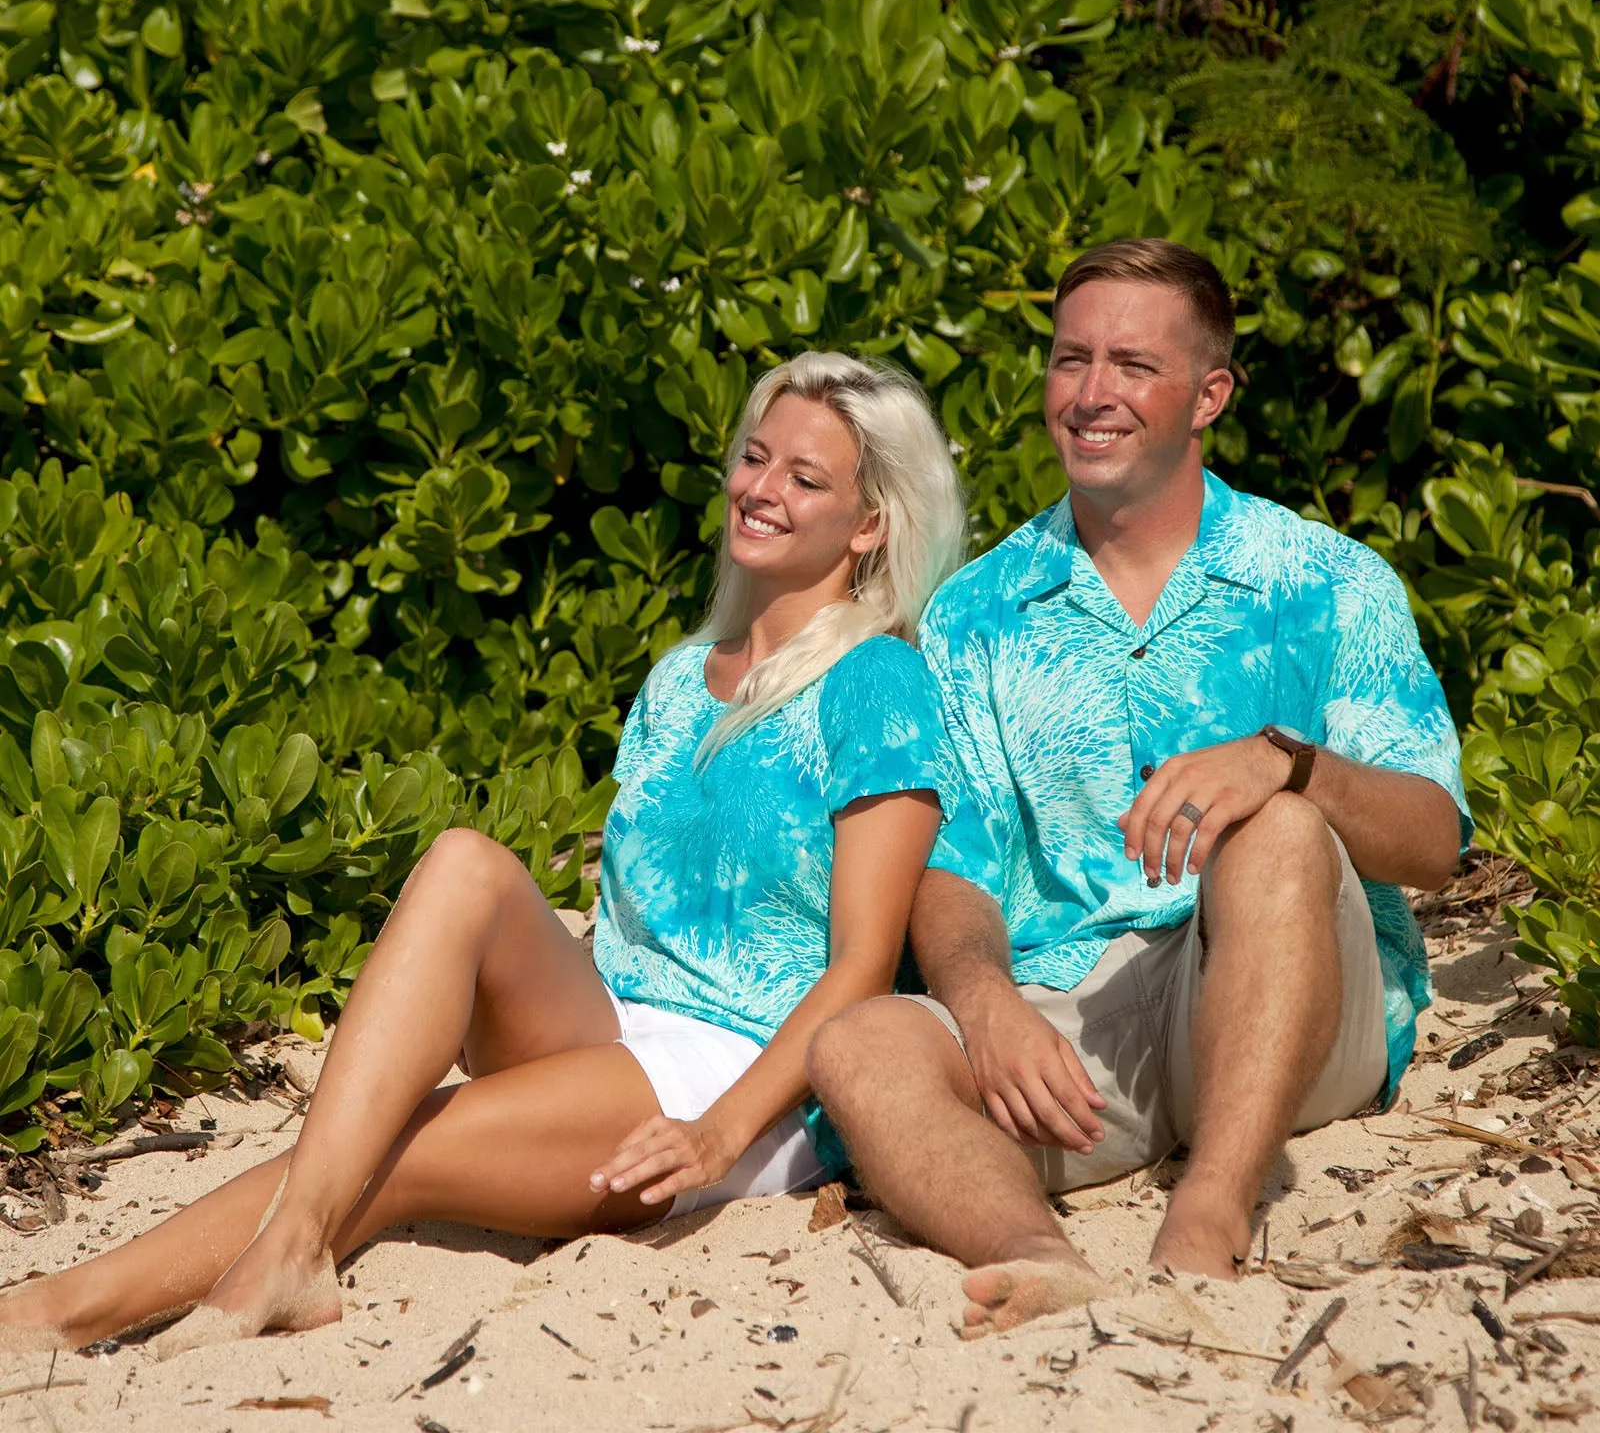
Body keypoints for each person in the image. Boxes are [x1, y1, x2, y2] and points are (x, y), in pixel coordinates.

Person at [0, 353, 966, 1355]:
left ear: (870, 524)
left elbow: (859, 964)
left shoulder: (877, 682)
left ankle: (61, 1309)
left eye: (804, 478)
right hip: (613, 1020)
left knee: (405, 1143)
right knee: (463, 859)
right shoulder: (682, 679)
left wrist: (718, 1128)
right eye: (755, 458)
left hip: (736, 1076)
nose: (761, 489)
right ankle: (281, 1245)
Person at [807, 240, 1470, 1338]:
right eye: (1071, 361)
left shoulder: (1325, 579)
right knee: (856, 1046)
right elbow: (958, 868)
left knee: (1281, 832)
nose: (1092, 394)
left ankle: (1206, 1217)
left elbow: (1434, 841)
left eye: (1132, 364)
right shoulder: (977, 611)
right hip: (1087, 1022)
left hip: (1298, 1006)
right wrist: (984, 1004)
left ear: (1208, 394)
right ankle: (1041, 1257)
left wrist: (1286, 763)